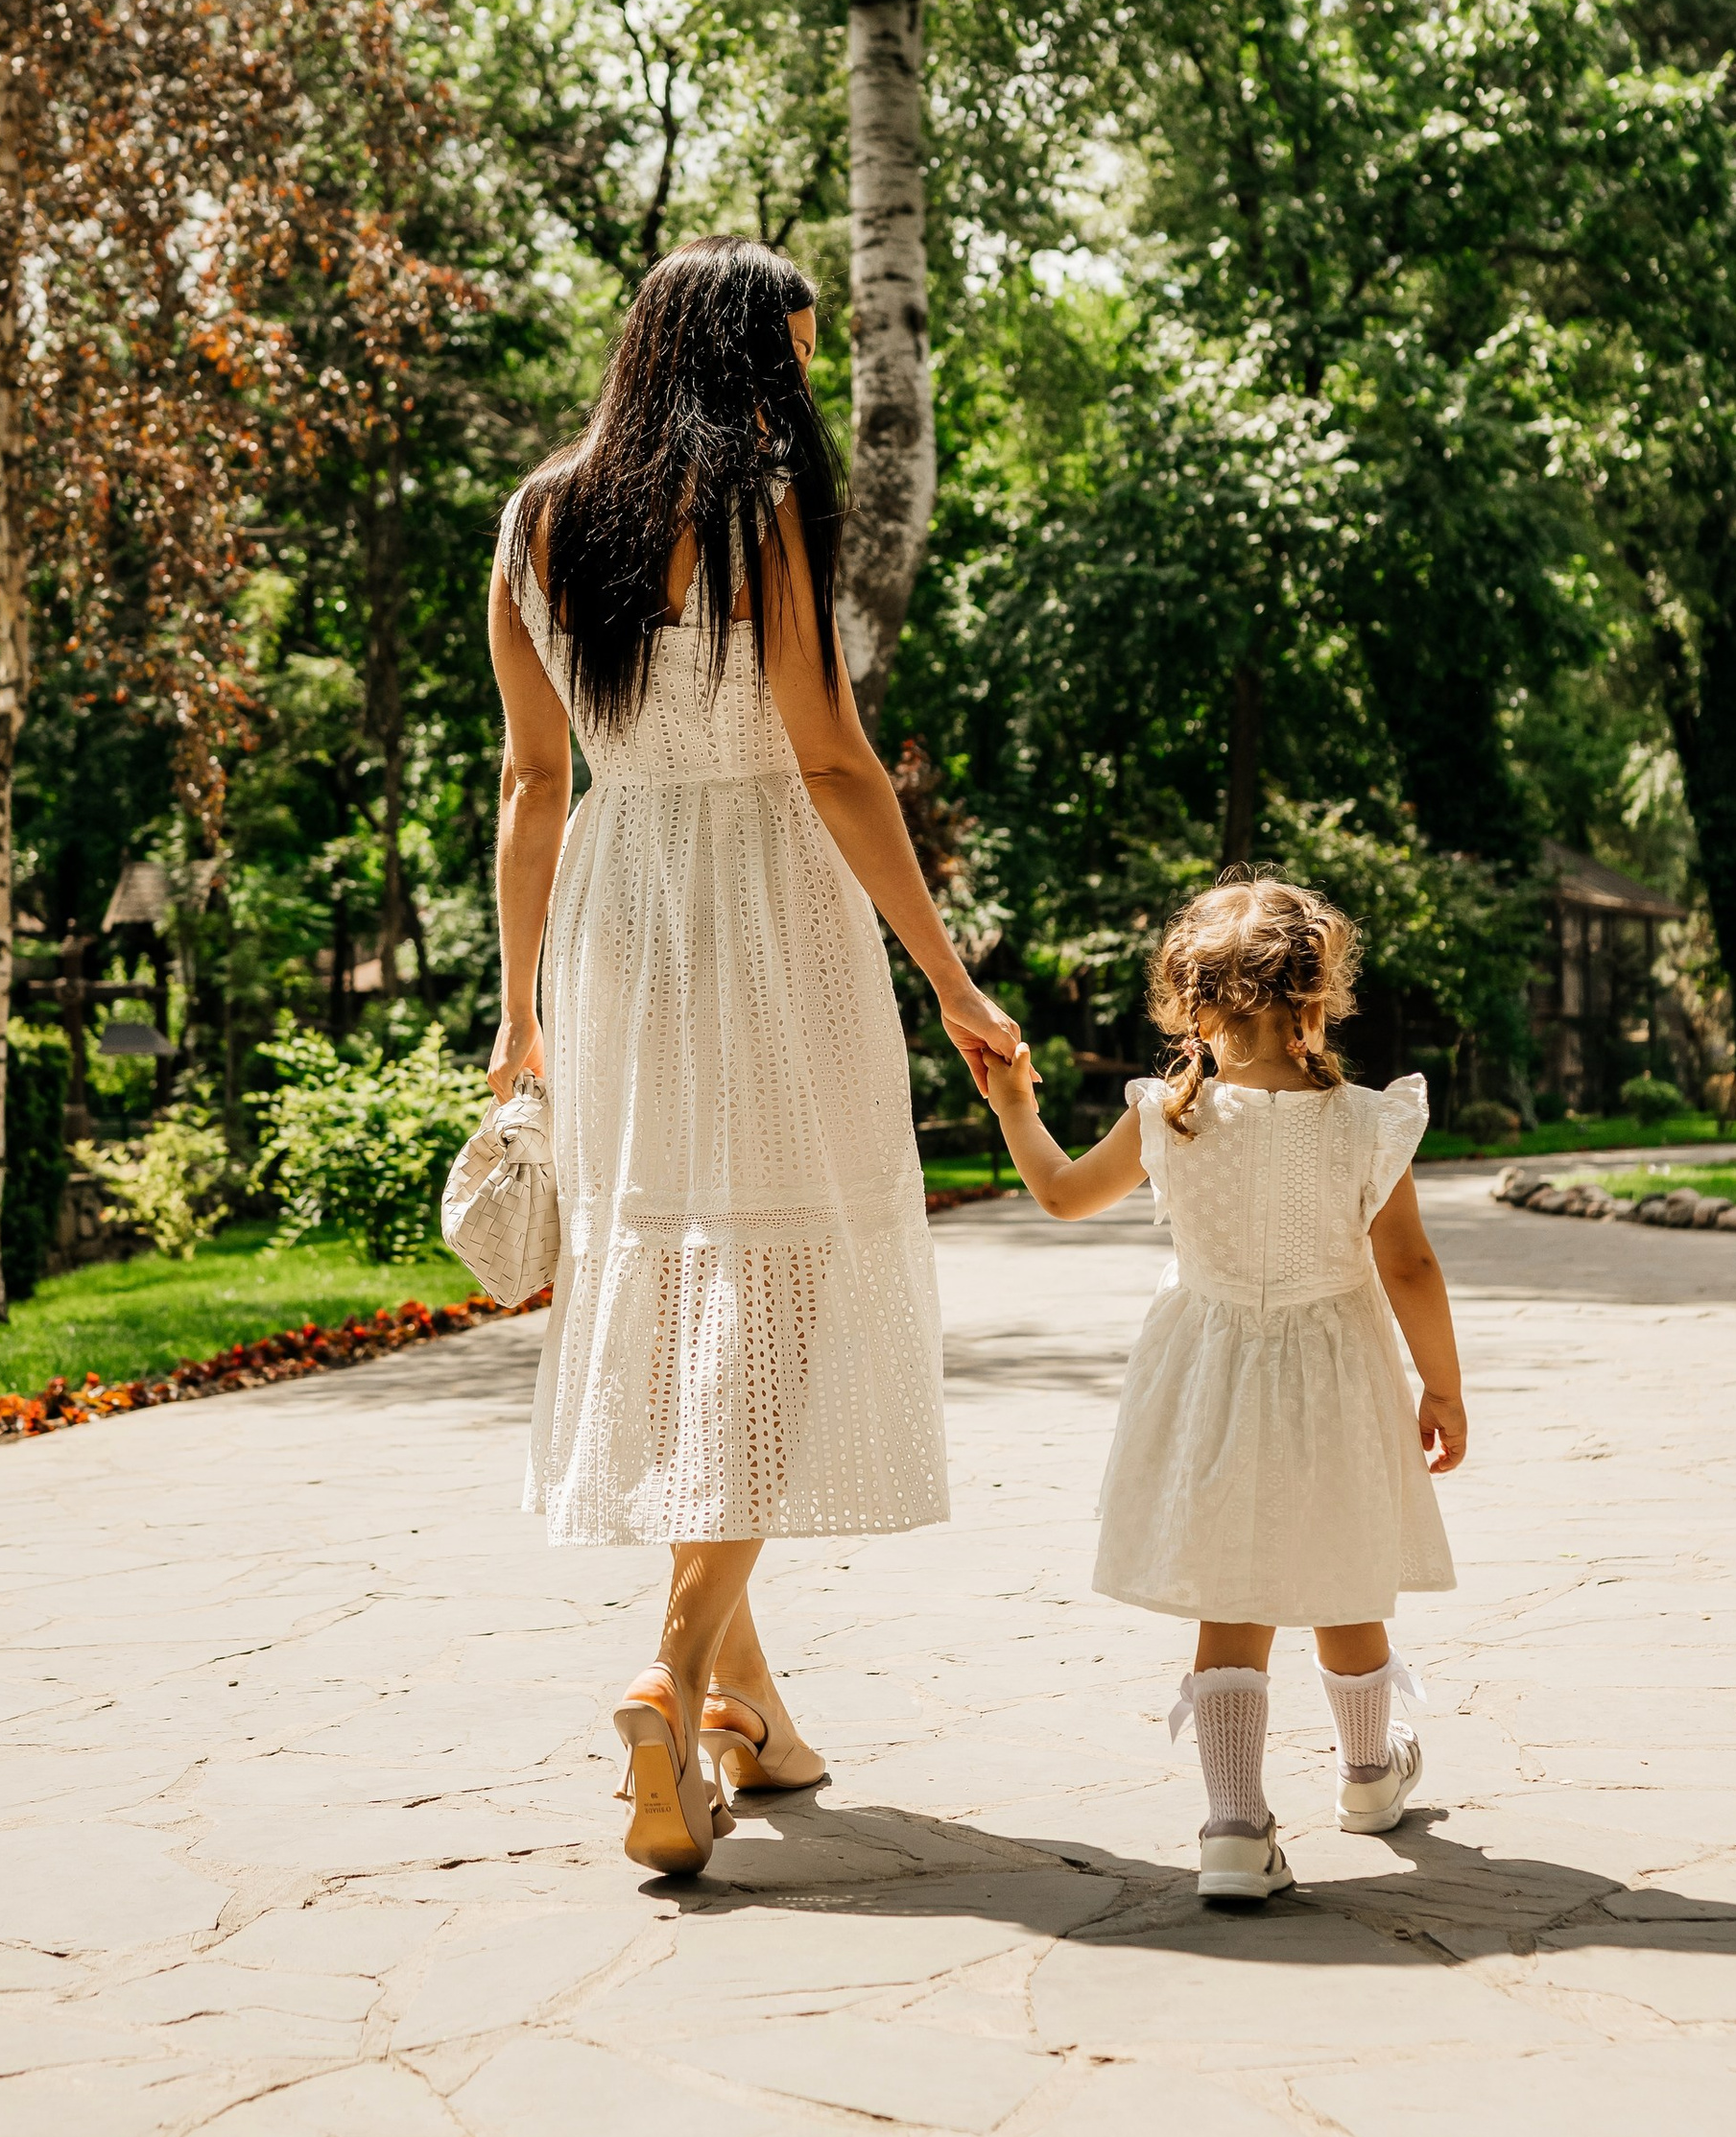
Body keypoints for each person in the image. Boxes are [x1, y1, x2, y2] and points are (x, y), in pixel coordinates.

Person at [488, 237, 1021, 1877]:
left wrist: (518, 1016)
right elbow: (835, 756)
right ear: (741, 360)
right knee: (781, 1305)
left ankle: (748, 1723)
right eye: (790, 357)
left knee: (691, 1290)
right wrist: (948, 977)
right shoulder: (758, 505)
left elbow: (528, 783)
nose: (800, 389)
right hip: (768, 915)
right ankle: (669, 1665)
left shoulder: (535, 517)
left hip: (616, 924)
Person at [975, 872, 1466, 1909]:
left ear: (1194, 1011)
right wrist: (1442, 1389)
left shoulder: (1169, 1119)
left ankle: (1234, 1829)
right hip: (1334, 1381)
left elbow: (1062, 1194)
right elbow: (1410, 1267)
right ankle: (1371, 1779)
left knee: (1232, 1600)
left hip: (1207, 1384)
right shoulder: (1366, 1124)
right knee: (1344, 1574)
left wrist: (1016, 1106)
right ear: (1316, 1001)